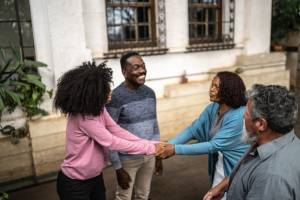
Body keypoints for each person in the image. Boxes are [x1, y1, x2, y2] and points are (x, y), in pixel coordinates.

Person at [54, 62, 162, 200]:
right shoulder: (84, 118)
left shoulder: (98, 109)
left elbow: (115, 130)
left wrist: (147, 142)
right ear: (93, 93)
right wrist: (150, 148)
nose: (110, 91)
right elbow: (112, 142)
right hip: (75, 184)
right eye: (106, 89)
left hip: (95, 178)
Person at [157, 71, 250, 194]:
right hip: (219, 164)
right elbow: (193, 129)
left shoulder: (239, 115)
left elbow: (214, 145)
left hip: (236, 169)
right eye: (212, 85)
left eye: (216, 87)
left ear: (229, 90)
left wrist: (175, 149)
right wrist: (166, 146)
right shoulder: (213, 108)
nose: (211, 90)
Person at [203, 84, 300, 200]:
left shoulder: (270, 179)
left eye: (247, 113)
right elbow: (248, 171)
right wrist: (223, 186)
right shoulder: (278, 141)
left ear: (261, 124)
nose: (243, 115)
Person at [106, 52, 161, 200]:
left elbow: (154, 125)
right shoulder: (115, 97)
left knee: (143, 195)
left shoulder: (150, 93)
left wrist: (158, 153)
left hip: (149, 156)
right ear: (124, 72)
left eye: (143, 66)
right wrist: (118, 168)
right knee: (124, 197)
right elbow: (108, 134)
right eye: (136, 67)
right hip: (127, 160)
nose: (142, 70)